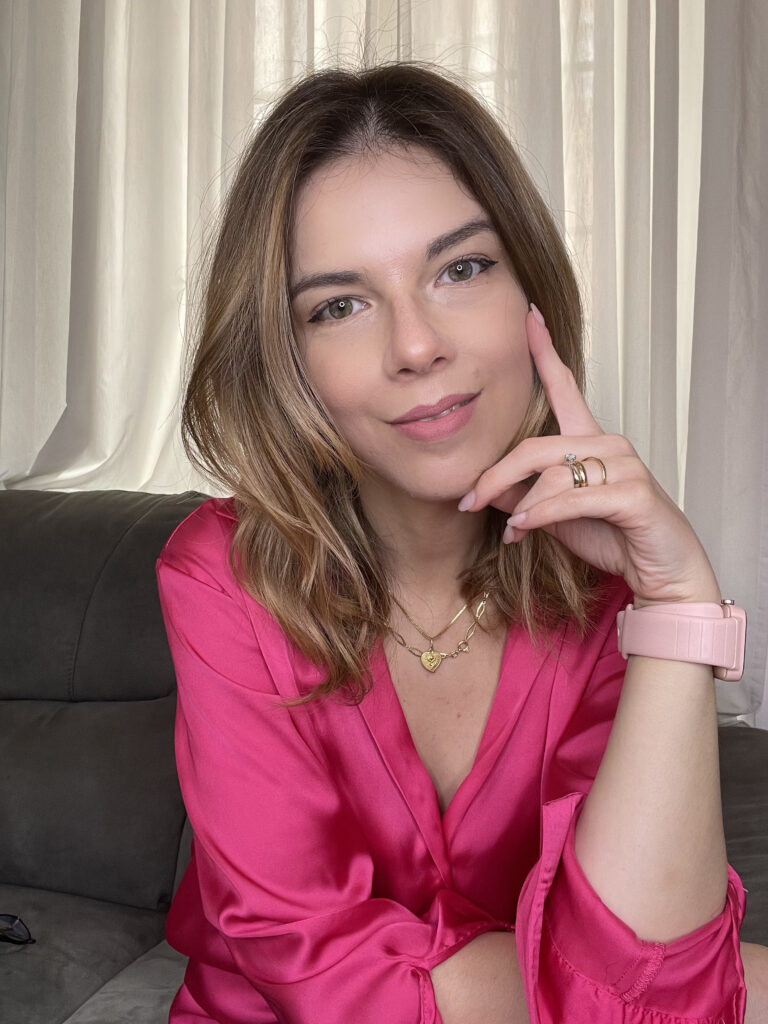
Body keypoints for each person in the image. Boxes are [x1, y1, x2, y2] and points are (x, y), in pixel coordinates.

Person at [156, 62, 766, 1023]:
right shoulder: (221, 576)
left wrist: (678, 603)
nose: (416, 346)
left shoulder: (609, 592)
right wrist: (599, 989)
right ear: (286, 361)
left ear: (532, 292)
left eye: (461, 269)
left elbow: (654, 974)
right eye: (339, 305)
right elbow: (316, 972)